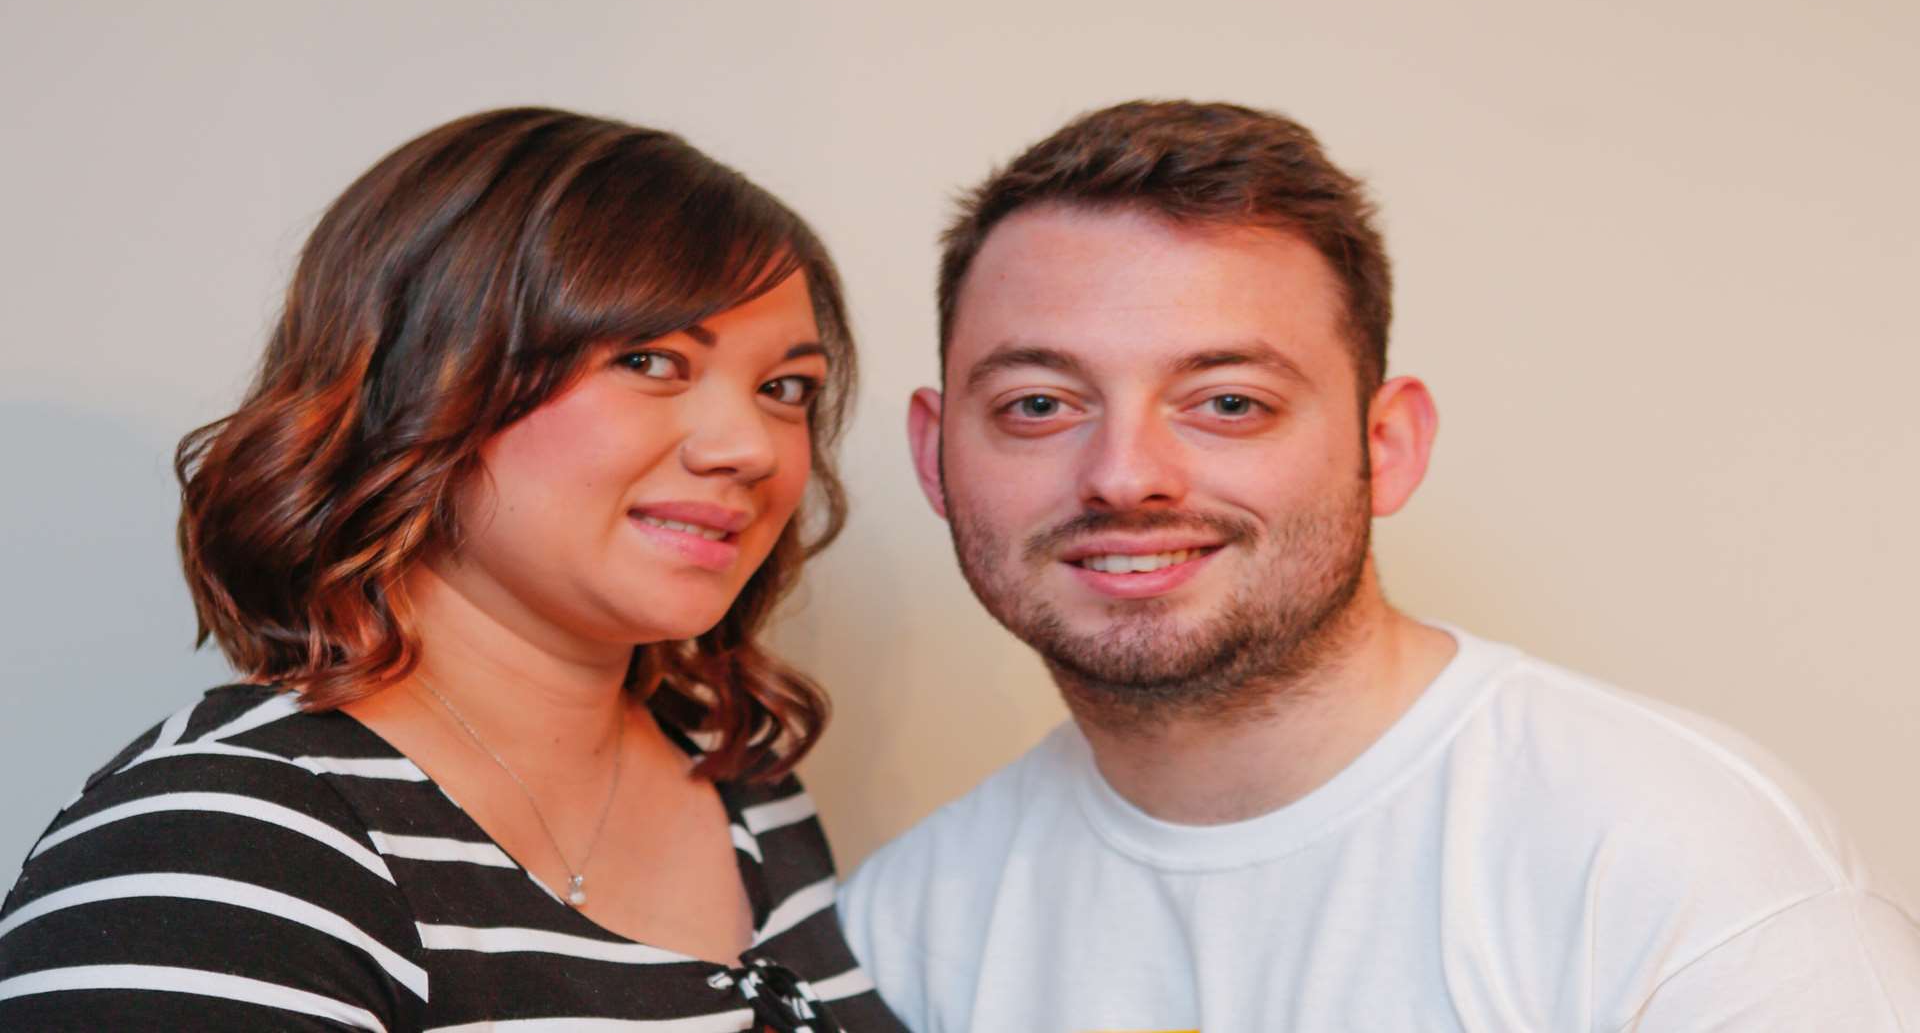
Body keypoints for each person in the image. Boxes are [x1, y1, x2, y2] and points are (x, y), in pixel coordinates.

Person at [839, 100, 1920, 1030]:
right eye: (1039, 405)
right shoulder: (912, 923)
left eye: (1228, 403)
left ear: (1386, 446)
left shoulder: (1663, 854)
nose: (1125, 476)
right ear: (936, 455)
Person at [0, 108, 903, 1031]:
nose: (750, 447)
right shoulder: (219, 846)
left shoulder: (747, 789)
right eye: (650, 359)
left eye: (785, 388)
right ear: (429, 374)